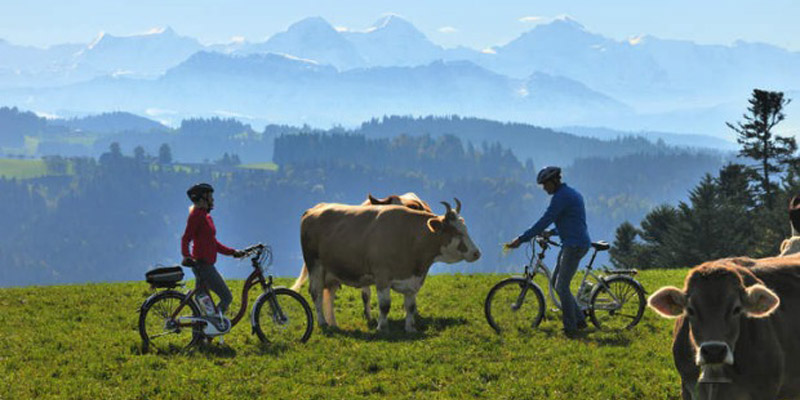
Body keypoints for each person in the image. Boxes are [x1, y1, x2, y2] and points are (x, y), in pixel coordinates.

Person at [505, 166, 591, 337]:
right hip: (572, 243)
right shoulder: (568, 194)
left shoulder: (562, 197)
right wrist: (551, 233)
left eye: (545, 184)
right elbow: (571, 222)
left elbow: (545, 219)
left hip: (574, 246)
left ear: (554, 181)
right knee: (557, 283)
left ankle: (571, 328)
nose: (544, 188)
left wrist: (522, 239)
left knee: (561, 286)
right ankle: (579, 319)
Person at [181, 183, 244, 330]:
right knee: (226, 297)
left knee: (202, 302)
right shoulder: (196, 215)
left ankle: (202, 333)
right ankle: (214, 326)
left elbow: (214, 243)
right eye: (210, 196)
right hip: (203, 266)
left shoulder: (206, 216)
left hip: (206, 265)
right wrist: (186, 255)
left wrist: (233, 252)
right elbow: (186, 238)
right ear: (203, 198)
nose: (213, 199)